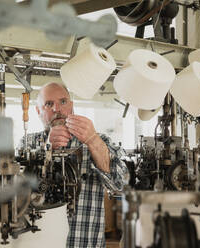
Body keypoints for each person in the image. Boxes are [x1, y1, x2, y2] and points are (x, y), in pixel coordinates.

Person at [19, 82, 128, 247]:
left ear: (71, 106)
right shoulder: (27, 144)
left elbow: (119, 183)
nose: (57, 109)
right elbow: (17, 190)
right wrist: (47, 148)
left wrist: (93, 140)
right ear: (38, 111)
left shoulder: (99, 141)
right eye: (49, 104)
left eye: (63, 102)